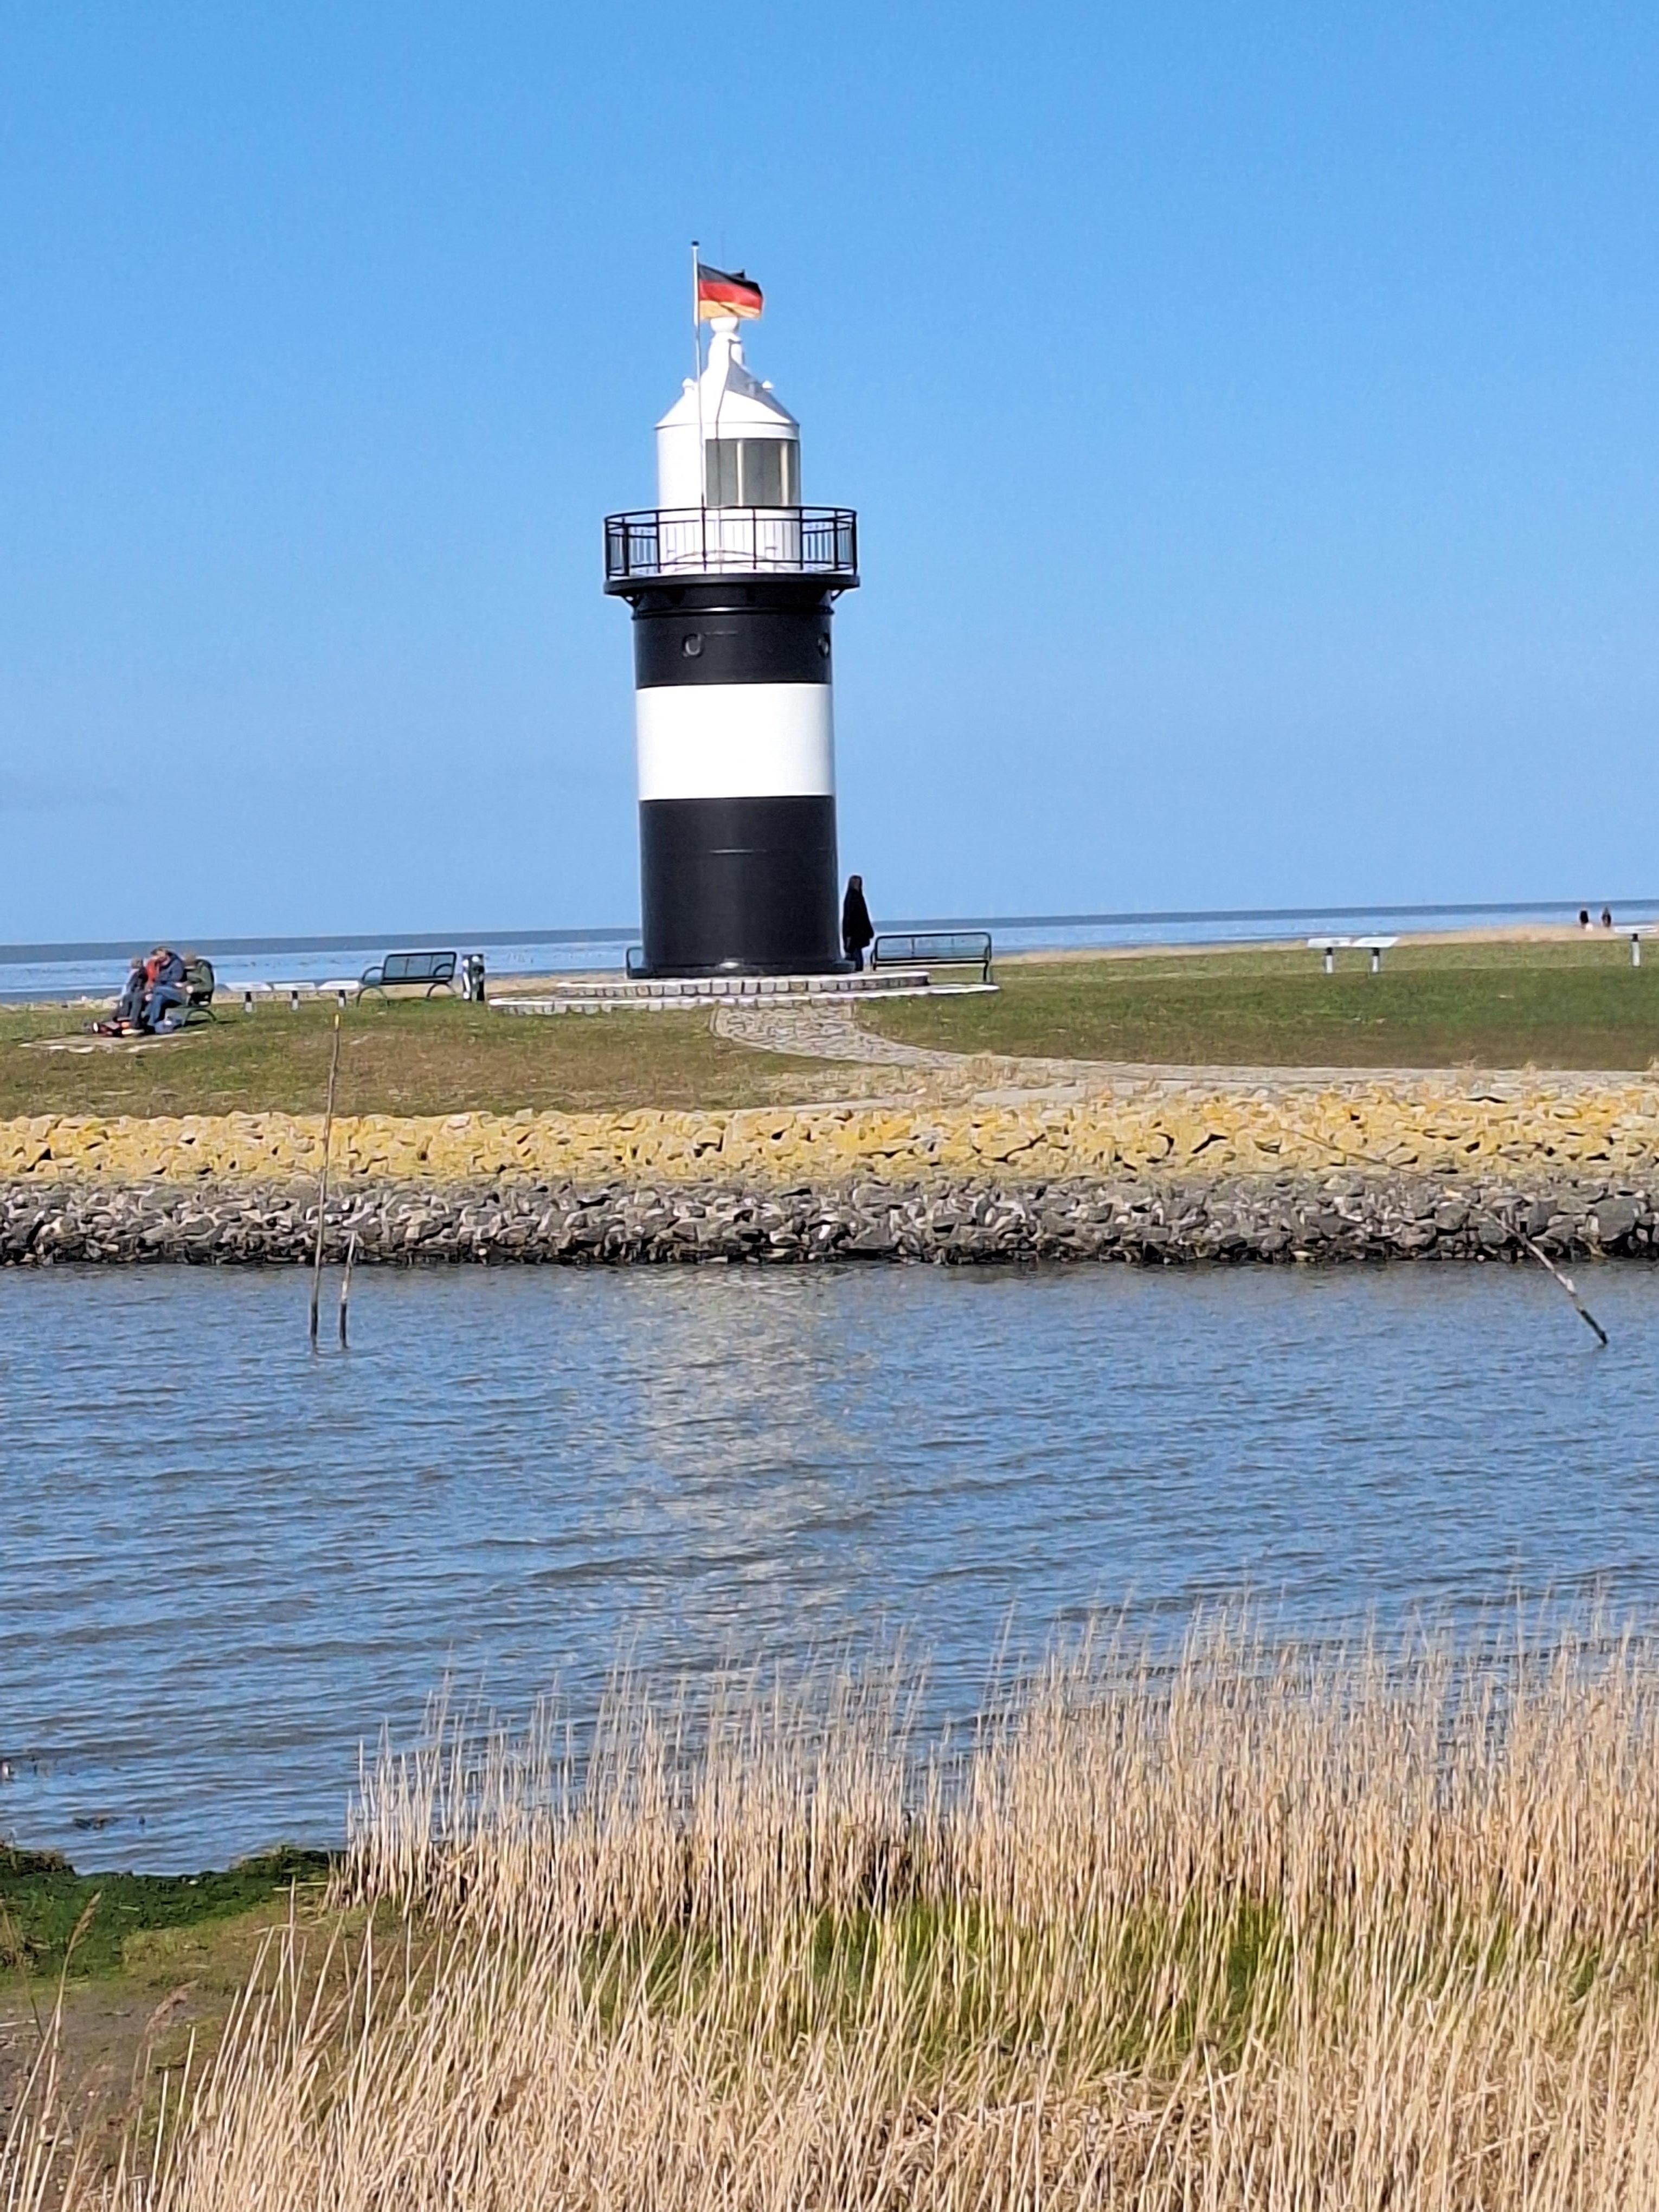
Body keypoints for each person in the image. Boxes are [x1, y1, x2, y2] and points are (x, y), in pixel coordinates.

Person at [143, 946, 188, 1032]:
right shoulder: (160, 966)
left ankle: (148, 1018)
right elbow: (158, 981)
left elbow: (175, 980)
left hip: (177, 993)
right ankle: (151, 1023)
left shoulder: (177, 964)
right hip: (164, 993)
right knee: (158, 997)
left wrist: (161, 981)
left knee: (158, 990)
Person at [841, 874, 874, 971]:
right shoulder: (853, 898)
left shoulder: (855, 897)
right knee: (855, 952)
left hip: (857, 932)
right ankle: (857, 968)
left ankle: (857, 968)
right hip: (855, 932)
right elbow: (850, 917)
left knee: (855, 952)